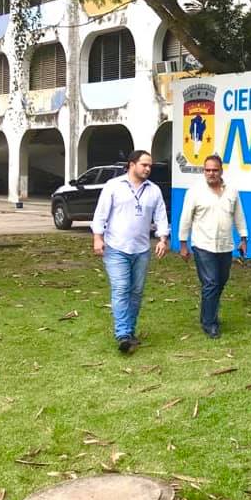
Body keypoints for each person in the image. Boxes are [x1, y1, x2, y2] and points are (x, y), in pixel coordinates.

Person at [91, 150, 170, 353]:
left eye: (150, 165)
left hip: (141, 249)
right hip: (116, 248)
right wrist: (98, 238)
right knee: (121, 288)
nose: (148, 169)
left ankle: (130, 331)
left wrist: (163, 239)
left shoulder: (153, 190)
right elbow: (100, 214)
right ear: (132, 164)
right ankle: (123, 334)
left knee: (136, 292)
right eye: (144, 165)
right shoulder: (114, 186)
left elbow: (161, 216)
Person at [178, 154, 248, 338]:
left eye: (215, 170)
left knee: (221, 281)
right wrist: (183, 244)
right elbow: (185, 218)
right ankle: (210, 324)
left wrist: (243, 238)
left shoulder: (232, 191)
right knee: (210, 283)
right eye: (207, 170)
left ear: (221, 171)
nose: (211, 173)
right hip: (203, 244)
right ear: (204, 171)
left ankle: (208, 315)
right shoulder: (194, 192)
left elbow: (238, 215)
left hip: (225, 245)